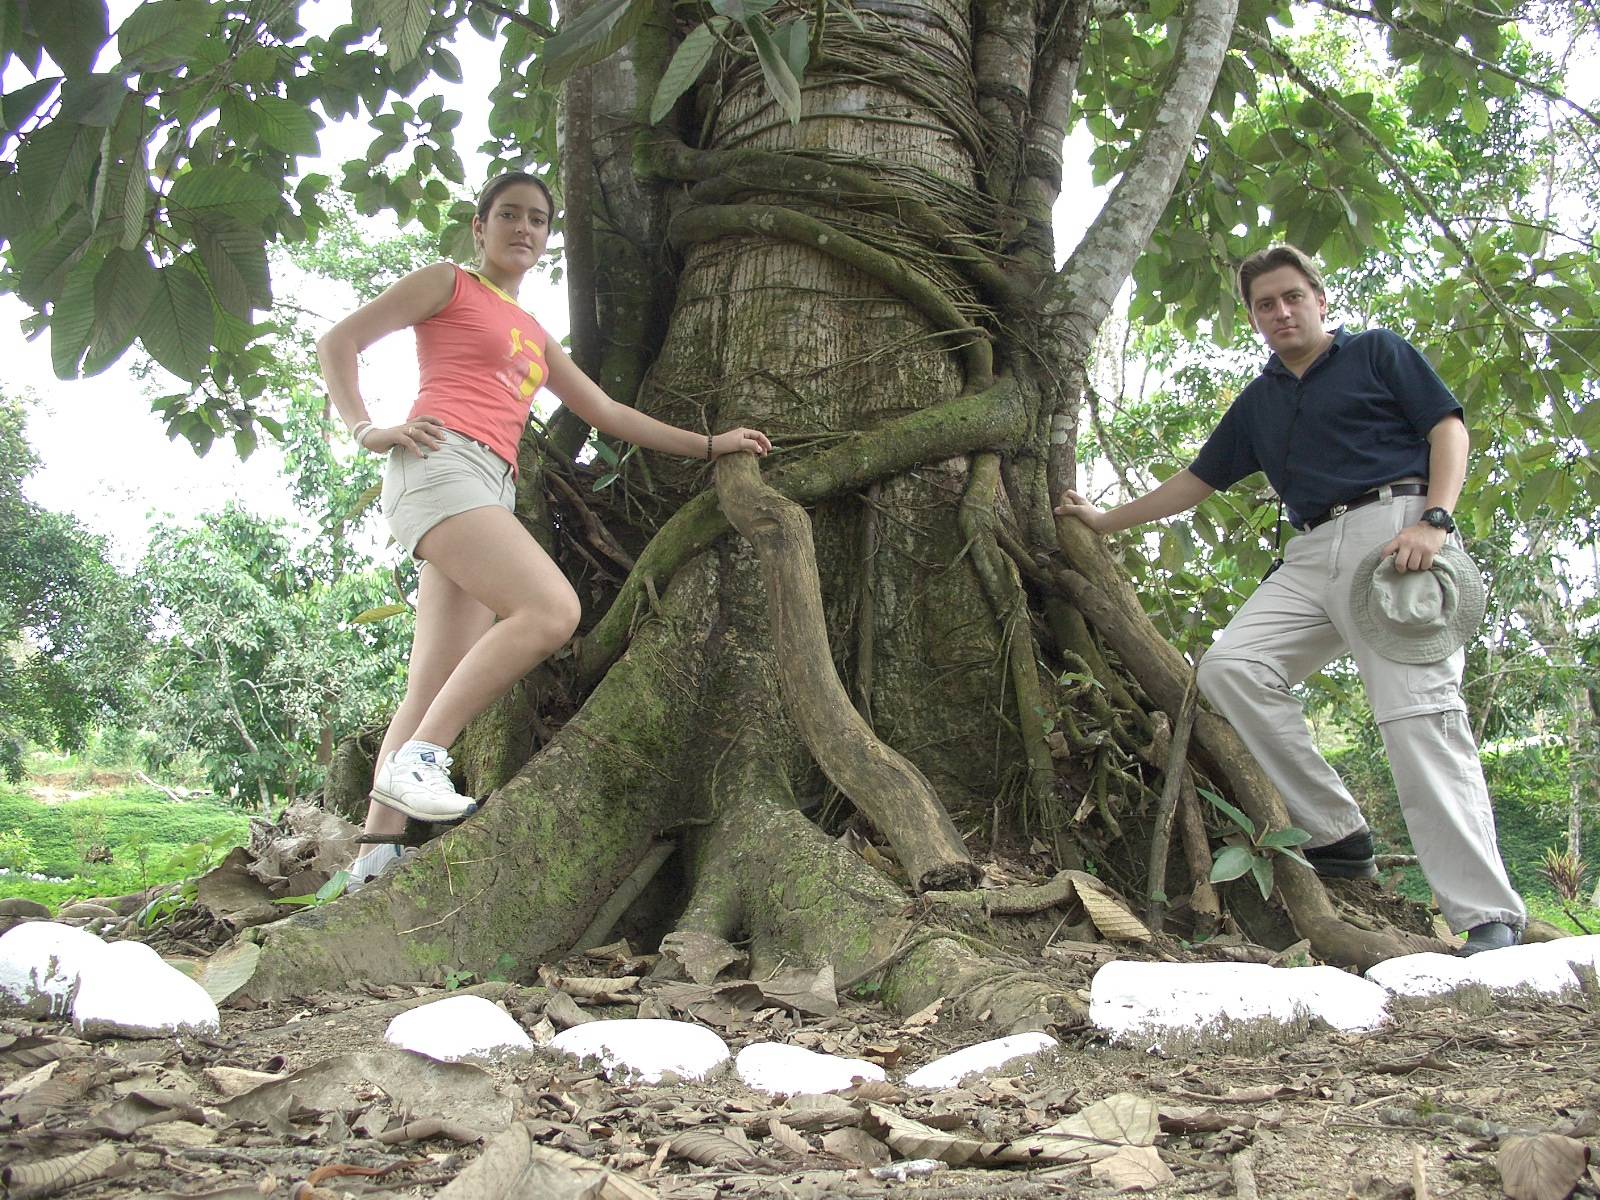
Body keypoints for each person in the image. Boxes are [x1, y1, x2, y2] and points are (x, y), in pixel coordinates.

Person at [1055, 244, 1525, 957]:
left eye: (1291, 297)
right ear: (1252, 318)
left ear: (1320, 298)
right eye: (1265, 305)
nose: (1281, 312)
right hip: (1308, 553)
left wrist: (1435, 519)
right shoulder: (1260, 401)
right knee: (1228, 669)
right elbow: (1197, 481)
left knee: (1418, 720)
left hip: (1394, 536)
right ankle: (1338, 832)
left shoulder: (1376, 353)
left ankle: (1488, 918)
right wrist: (1104, 519)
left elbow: (1447, 429)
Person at [318, 172, 772, 888]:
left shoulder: (535, 334)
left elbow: (609, 416)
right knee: (552, 609)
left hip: (490, 482)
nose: (522, 228)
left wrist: (713, 445)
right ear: (479, 227)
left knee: (429, 679)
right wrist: (367, 428)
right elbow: (339, 341)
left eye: (536, 219)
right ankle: (424, 759)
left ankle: (375, 855)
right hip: (441, 464)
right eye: (508, 215)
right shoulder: (448, 283)